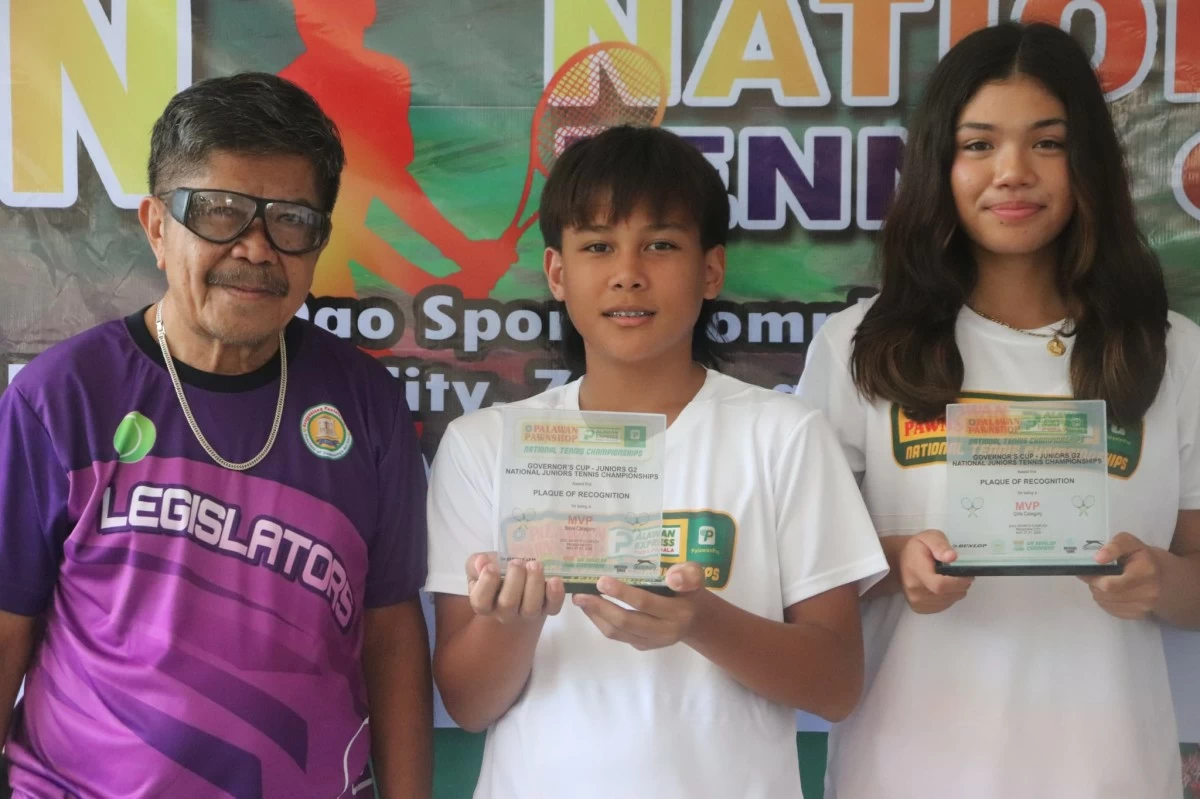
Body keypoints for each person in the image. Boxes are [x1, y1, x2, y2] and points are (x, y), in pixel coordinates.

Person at [0, 73, 432, 798]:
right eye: (221, 212)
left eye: (291, 219)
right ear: (157, 226)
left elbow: (392, 639)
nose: (257, 249)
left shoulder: (368, 406)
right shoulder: (60, 398)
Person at [797, 22, 1200, 799]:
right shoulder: (858, 346)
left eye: (1046, 143)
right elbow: (802, 582)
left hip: (1108, 772)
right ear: (938, 163)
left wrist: (1161, 582)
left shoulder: (1171, 350)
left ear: (1089, 163)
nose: (1012, 172)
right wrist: (897, 560)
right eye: (978, 144)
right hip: (905, 771)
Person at [424, 125, 889, 798]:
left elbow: (838, 684)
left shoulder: (785, 435)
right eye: (598, 246)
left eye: (661, 244)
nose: (628, 272)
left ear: (711, 269)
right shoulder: (483, 445)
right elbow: (467, 702)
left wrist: (701, 619)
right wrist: (514, 622)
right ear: (558, 272)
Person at [281, 0, 518, 299]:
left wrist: (464, 254)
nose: (315, 24)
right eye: (309, 14)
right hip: (304, 284)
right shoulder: (287, 92)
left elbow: (392, 183)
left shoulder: (388, 78)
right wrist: (436, 283)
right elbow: (340, 232)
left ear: (366, 14)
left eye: (333, 13)